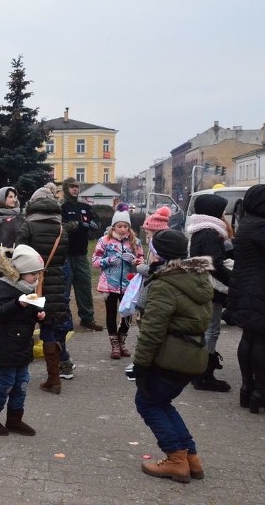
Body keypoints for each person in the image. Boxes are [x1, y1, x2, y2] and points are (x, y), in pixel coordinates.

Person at [132, 229, 213, 483]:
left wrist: (140, 365)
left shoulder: (165, 283)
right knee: (162, 402)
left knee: (147, 402)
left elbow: (152, 330)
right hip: (194, 354)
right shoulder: (198, 277)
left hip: (171, 356)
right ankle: (191, 459)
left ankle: (176, 460)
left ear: (158, 252)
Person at [0, 244, 47, 436]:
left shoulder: (28, 289)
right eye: (33, 274)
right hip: (4, 346)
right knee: (6, 382)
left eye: (38, 274)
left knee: (22, 382)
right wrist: (18, 304)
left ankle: (15, 419)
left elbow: (33, 311)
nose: (36, 278)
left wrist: (39, 315)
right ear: (19, 272)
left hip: (22, 345)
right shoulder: (2, 288)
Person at [16, 183, 71, 391]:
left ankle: (18, 375)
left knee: (23, 325)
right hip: (56, 282)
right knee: (49, 328)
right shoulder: (60, 228)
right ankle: (54, 378)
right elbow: (62, 257)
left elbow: (18, 254)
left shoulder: (28, 226)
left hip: (31, 283)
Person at [186, 194, 233, 392]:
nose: (224, 215)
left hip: (201, 283)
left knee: (205, 328)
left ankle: (199, 371)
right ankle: (204, 374)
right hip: (211, 286)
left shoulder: (200, 230)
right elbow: (213, 262)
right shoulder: (210, 232)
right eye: (221, 210)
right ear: (213, 211)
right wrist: (232, 280)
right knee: (211, 330)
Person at [225, 184, 265, 413]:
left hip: (245, 288)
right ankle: (260, 391)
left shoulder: (246, 223)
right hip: (259, 290)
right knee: (260, 340)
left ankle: (247, 387)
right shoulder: (261, 226)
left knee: (249, 338)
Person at [92, 205, 144, 359]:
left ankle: (122, 340)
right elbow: (95, 261)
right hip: (109, 284)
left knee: (127, 313)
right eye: (119, 226)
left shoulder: (135, 242)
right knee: (111, 313)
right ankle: (114, 344)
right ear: (114, 226)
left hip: (129, 284)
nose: (122, 229)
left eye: (125, 226)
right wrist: (109, 260)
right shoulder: (105, 241)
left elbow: (141, 260)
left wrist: (134, 261)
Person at [59, 178, 104, 331]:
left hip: (81, 255)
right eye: (72, 187)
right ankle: (62, 320)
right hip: (65, 255)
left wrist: (94, 225)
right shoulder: (61, 207)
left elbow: (97, 222)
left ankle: (87, 318)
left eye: (77, 187)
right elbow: (59, 226)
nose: (75, 189)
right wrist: (77, 225)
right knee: (64, 289)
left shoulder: (85, 207)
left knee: (84, 286)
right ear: (66, 189)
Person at [135, 206, 172, 318]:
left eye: (147, 233)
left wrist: (140, 267)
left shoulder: (157, 248)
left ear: (156, 232)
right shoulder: (159, 245)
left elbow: (155, 270)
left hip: (154, 293)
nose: (146, 238)